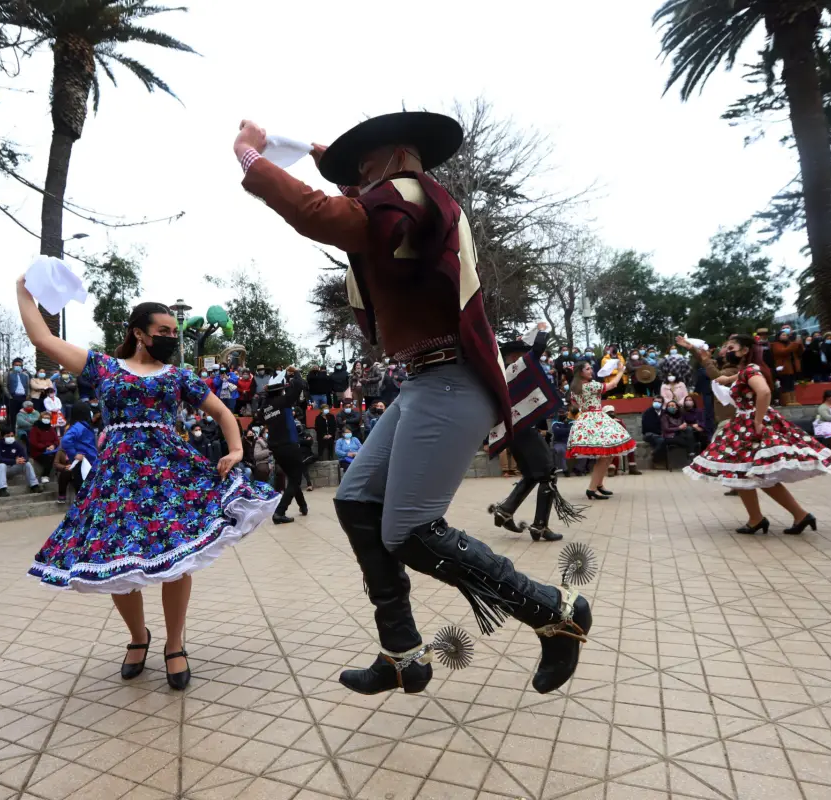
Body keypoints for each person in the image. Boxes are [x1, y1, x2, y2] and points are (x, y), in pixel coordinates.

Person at [236, 112, 592, 696]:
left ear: (398, 156)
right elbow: (360, 208)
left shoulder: (409, 197)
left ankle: (553, 613)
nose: (358, 178)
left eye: (364, 164)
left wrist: (252, 159)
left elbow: (325, 215)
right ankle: (401, 652)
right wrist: (322, 157)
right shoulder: (408, 199)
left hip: (451, 379)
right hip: (428, 381)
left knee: (410, 530)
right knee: (356, 502)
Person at [19, 287, 277, 691]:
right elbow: (44, 339)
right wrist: (24, 291)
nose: (172, 336)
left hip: (169, 476)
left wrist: (236, 448)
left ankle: (175, 644)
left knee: (177, 559)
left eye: (174, 331)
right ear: (139, 333)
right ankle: (139, 637)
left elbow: (224, 412)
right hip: (118, 479)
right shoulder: (103, 367)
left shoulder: (178, 376)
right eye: (164, 329)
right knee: (118, 560)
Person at [684, 334, 831, 534]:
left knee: (749, 474)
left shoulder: (751, 370)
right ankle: (784, 516)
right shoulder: (745, 371)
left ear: (745, 350)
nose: (727, 350)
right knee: (747, 474)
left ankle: (771, 518)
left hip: (750, 423)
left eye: (731, 347)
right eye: (726, 347)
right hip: (744, 423)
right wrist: (700, 354)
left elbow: (764, 393)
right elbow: (722, 378)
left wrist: (758, 420)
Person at [486, 326, 582, 542]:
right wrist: (540, 331)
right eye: (522, 352)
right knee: (548, 474)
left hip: (515, 431)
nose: (526, 355)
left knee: (533, 475)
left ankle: (505, 510)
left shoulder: (502, 374)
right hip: (522, 431)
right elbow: (538, 348)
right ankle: (540, 526)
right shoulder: (513, 369)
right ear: (513, 356)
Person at [567, 360, 634, 500]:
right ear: (581, 372)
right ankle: (592, 488)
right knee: (604, 456)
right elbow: (613, 384)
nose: (591, 370)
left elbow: (575, 405)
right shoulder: (590, 385)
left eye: (591, 368)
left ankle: (599, 484)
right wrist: (621, 371)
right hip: (596, 419)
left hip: (586, 418)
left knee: (607, 454)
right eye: (588, 368)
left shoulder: (574, 388)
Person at [258, 379, 307, 523]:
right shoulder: (282, 401)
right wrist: (295, 373)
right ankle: (280, 512)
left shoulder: (265, 407)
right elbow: (298, 385)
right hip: (288, 444)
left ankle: (303, 506)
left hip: (275, 446)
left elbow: (260, 417)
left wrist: (266, 395)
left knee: (292, 476)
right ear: (280, 391)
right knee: (296, 478)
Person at [56, 402, 96, 503]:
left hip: (89, 460)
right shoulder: (79, 426)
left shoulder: (83, 426)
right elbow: (66, 440)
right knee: (84, 489)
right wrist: (74, 454)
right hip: (83, 462)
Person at [770, 329, 803, 406]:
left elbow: (800, 352)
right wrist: (794, 344)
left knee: (791, 384)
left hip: (792, 367)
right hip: (783, 368)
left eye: (786, 335)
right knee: (785, 385)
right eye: (783, 335)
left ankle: (793, 400)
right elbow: (783, 352)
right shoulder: (775, 344)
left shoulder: (790, 344)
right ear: (779, 336)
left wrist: (800, 344)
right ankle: (787, 401)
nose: (785, 337)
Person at [28, 410, 61, 484]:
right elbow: (34, 442)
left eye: (48, 418)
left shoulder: (51, 429)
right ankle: (45, 475)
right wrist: (45, 447)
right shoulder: (35, 429)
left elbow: (56, 440)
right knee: (49, 457)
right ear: (40, 418)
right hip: (38, 451)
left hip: (51, 450)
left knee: (59, 455)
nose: (46, 419)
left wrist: (53, 445)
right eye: (45, 417)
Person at [641, 399, 666, 468]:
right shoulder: (648, 412)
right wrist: (660, 432)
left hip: (661, 434)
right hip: (648, 434)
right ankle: (654, 455)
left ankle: (656, 459)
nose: (657, 403)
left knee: (664, 440)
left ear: (662, 403)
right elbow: (648, 426)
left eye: (659, 402)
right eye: (655, 401)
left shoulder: (664, 412)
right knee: (661, 440)